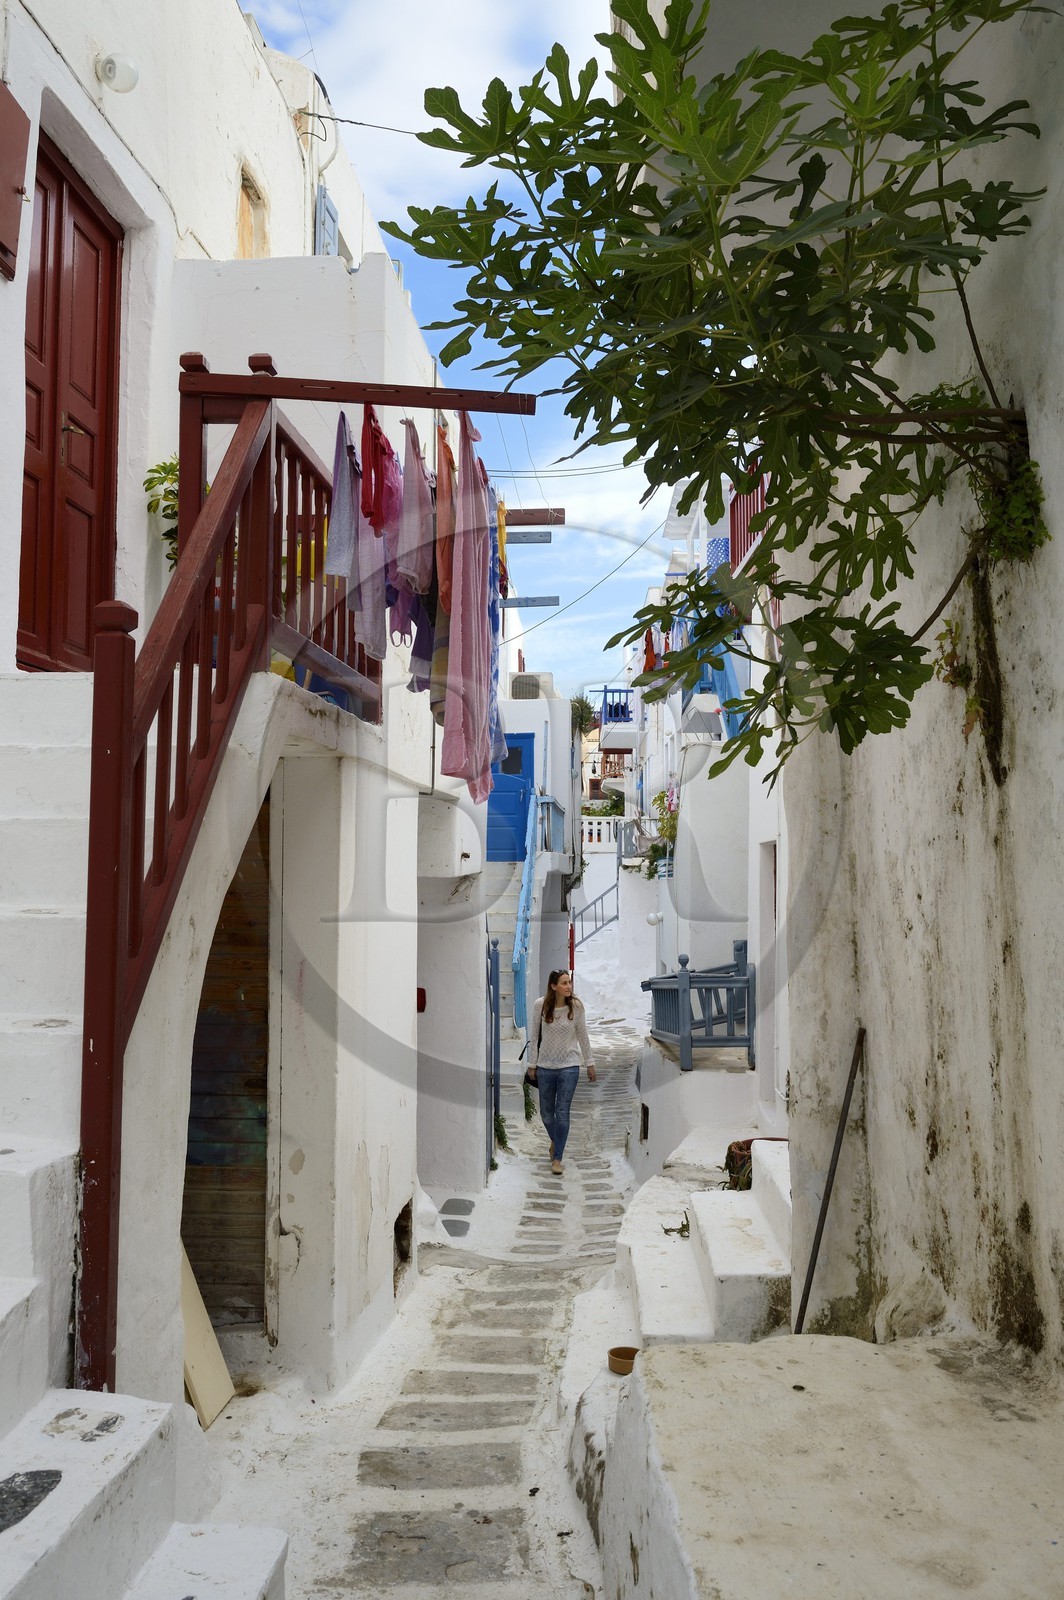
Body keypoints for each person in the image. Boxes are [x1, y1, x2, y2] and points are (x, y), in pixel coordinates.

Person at [527, 970, 596, 1175]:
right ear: (553, 986)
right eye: (564, 983)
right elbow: (534, 1035)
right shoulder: (540, 1005)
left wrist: (590, 1063)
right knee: (547, 1114)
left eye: (570, 982)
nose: (569, 986)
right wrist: (532, 1064)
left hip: (569, 1066)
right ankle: (556, 1142)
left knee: (562, 1112)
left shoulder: (576, 1007)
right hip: (545, 1066)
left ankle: (557, 1158)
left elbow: (583, 1036)